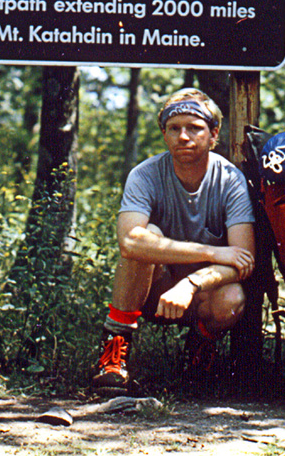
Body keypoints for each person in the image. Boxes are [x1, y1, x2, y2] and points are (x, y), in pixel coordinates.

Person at [92, 88, 255, 389]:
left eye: (195, 128)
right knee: (146, 237)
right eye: (174, 128)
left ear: (214, 134)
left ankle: (200, 347)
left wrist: (191, 284)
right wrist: (211, 251)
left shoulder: (231, 180)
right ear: (164, 134)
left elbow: (244, 260)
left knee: (233, 298)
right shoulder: (145, 174)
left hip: (203, 294)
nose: (184, 137)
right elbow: (129, 242)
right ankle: (115, 351)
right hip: (155, 292)